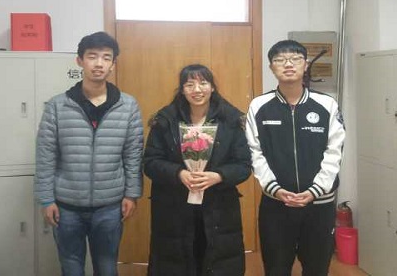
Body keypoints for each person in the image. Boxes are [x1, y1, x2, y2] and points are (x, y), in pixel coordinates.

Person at [34, 32, 144, 276]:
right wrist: (47, 199)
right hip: (66, 206)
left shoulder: (128, 106)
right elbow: (45, 156)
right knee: (71, 267)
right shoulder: (57, 106)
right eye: (92, 56)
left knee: (107, 267)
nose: (99, 63)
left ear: (113, 64)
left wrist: (131, 194)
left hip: (110, 206)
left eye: (106, 57)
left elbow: (133, 154)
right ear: (80, 61)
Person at [245, 40, 345, 276]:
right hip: (277, 204)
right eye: (280, 60)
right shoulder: (259, 106)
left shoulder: (326, 104)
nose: (288, 64)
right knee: (276, 268)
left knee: (317, 268)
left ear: (305, 65)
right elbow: (254, 152)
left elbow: (335, 151)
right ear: (271, 67)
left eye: (295, 59)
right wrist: (275, 189)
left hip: (319, 205)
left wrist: (316, 190)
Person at [143, 64, 252, 276]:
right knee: (177, 262)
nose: (197, 89)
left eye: (203, 83)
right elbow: (150, 162)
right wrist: (179, 173)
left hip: (218, 206)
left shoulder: (231, 120)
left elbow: (243, 165)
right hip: (174, 206)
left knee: (215, 260)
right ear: (182, 90)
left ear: (212, 87)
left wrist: (218, 176)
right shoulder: (165, 120)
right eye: (189, 84)